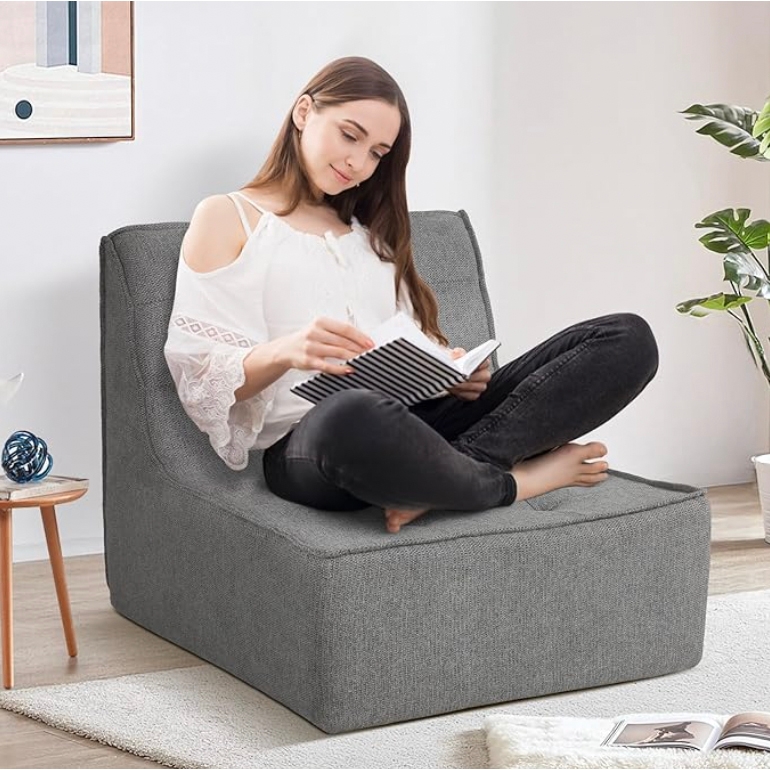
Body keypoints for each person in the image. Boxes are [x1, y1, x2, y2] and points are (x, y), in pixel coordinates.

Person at [164, 56, 659, 535]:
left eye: (378, 153)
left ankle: (446, 479)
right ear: (304, 112)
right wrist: (285, 351)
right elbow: (199, 374)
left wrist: (453, 375)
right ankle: (519, 482)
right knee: (351, 411)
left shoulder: (373, 234)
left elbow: (405, 347)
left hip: (416, 425)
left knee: (627, 338)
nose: (359, 163)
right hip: (318, 443)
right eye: (350, 135)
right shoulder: (229, 217)